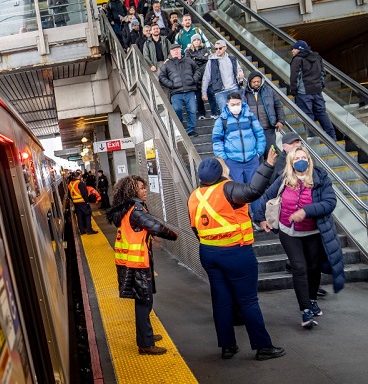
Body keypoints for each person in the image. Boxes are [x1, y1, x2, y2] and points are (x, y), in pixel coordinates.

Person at [188, 154, 286, 361]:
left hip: (208, 253)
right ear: (220, 173)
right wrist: (268, 165)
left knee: (221, 302)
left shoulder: (194, 195)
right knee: (248, 301)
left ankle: (228, 346)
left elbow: (195, 228)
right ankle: (263, 347)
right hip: (235, 253)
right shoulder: (228, 189)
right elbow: (253, 191)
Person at [255, 146, 343, 328]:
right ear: (291, 162)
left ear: (309, 160)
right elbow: (266, 197)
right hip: (289, 232)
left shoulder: (320, 178)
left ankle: (311, 299)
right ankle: (305, 311)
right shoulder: (284, 179)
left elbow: (329, 202)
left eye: (303, 157)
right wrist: (260, 217)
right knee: (299, 267)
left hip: (313, 232)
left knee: (313, 267)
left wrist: (305, 211)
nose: (300, 161)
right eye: (296, 159)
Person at [106, 175, 178, 355]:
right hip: (136, 263)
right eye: (141, 188)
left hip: (129, 261)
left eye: (144, 187)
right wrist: (174, 235)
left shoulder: (125, 208)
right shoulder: (136, 209)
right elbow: (156, 226)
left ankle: (147, 335)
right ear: (132, 191)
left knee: (144, 299)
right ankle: (145, 344)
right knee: (144, 302)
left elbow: (140, 228)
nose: (145, 190)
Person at [212, 93, 266, 187]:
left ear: (241, 103)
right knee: (238, 192)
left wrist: (258, 152)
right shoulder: (222, 120)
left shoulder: (250, 116)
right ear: (227, 104)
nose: (236, 106)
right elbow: (217, 141)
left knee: (255, 189)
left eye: (238, 104)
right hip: (233, 162)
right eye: (233, 104)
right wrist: (224, 158)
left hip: (252, 160)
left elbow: (260, 134)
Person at [288, 40, 336, 139]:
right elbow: (322, 73)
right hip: (317, 91)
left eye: (294, 48)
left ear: (299, 49)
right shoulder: (317, 58)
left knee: (307, 115)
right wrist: (320, 86)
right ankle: (332, 137)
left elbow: (294, 77)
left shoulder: (297, 60)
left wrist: (293, 91)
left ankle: (312, 137)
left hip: (303, 93)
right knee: (322, 113)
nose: (292, 51)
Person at [159, 43, 203, 136]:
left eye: (177, 49)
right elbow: (162, 76)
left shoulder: (188, 60)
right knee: (177, 109)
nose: (176, 51)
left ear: (180, 50)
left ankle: (191, 130)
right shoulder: (168, 64)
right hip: (176, 92)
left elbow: (197, 70)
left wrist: (194, 80)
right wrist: (171, 84)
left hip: (190, 90)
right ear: (170, 52)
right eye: (173, 50)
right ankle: (180, 129)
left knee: (192, 110)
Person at [240, 71, 285, 158]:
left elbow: (278, 106)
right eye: (254, 82)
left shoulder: (269, 91)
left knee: (270, 152)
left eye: (258, 81)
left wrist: (281, 121)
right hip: (252, 129)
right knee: (257, 154)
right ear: (249, 82)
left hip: (268, 128)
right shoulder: (243, 94)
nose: (256, 84)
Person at [202, 40, 244, 115]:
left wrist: (240, 75)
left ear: (225, 48)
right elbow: (206, 77)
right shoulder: (211, 61)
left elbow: (239, 70)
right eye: (216, 48)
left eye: (220, 48)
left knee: (238, 111)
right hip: (220, 91)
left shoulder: (232, 59)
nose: (218, 50)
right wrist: (204, 92)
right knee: (225, 113)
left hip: (233, 88)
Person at [185, 34, 213, 120]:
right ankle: (201, 113)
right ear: (192, 42)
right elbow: (189, 62)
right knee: (198, 97)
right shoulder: (188, 51)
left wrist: (196, 58)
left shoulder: (205, 49)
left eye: (198, 40)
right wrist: (201, 58)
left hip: (206, 74)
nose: (197, 41)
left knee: (211, 94)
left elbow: (208, 58)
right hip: (196, 76)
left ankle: (214, 112)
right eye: (195, 40)